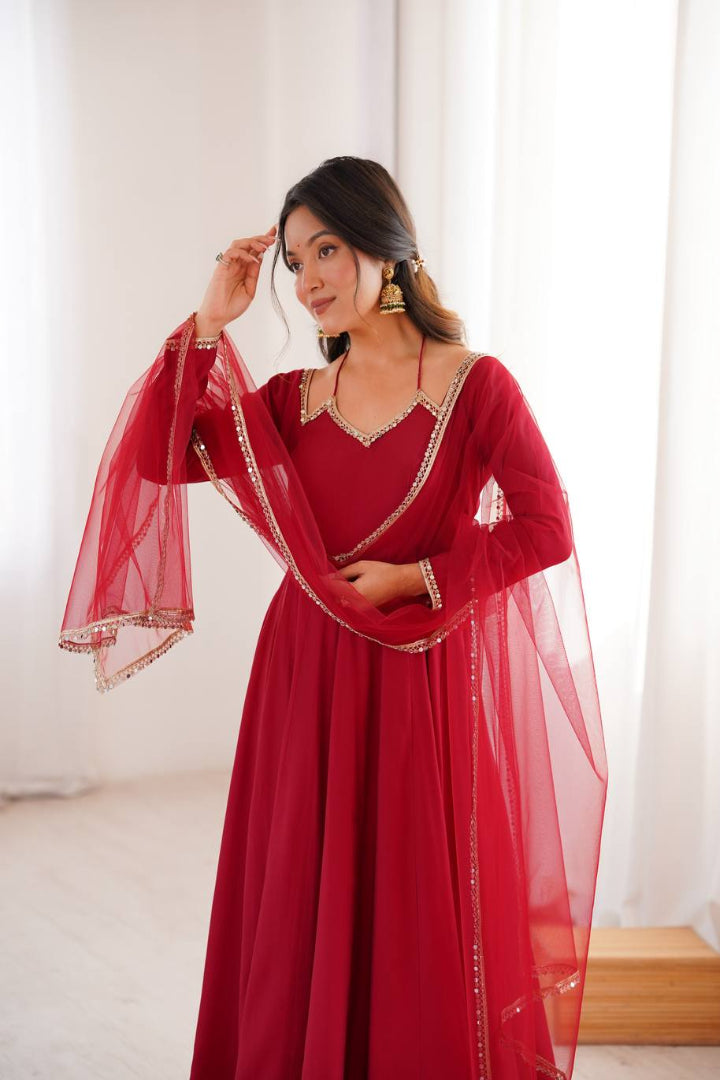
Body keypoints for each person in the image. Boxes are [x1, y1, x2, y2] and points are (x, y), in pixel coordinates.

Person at [59, 156, 608, 1079]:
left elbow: (545, 527)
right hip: (305, 675)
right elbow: (159, 455)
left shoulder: (476, 386)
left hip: (420, 682)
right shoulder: (291, 402)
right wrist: (209, 323)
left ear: (384, 249)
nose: (306, 279)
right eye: (292, 261)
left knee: (411, 897)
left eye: (325, 251)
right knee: (300, 889)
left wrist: (417, 578)